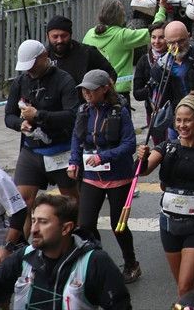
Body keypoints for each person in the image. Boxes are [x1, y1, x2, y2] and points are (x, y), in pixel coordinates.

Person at [136, 94, 194, 297]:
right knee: (185, 287)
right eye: (178, 120)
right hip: (169, 225)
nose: (182, 125)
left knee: (184, 287)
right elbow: (143, 171)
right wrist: (141, 158)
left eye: (187, 120)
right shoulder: (167, 147)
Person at [0, 192, 132, 309]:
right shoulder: (24, 256)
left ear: (66, 228)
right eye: (33, 221)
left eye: (43, 222)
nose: (33, 229)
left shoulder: (95, 262)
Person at [66, 69, 141, 283]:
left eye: (91, 90)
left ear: (104, 89)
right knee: (86, 224)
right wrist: (73, 161)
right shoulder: (83, 111)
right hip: (91, 177)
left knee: (119, 226)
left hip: (118, 177)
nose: (87, 94)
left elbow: (129, 144)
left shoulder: (120, 112)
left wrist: (103, 156)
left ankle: (131, 263)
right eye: (84, 90)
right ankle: (99, 262)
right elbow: (76, 138)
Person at [4, 39, 79, 210]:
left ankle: (76, 227)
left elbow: (73, 116)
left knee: (71, 201)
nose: (29, 70)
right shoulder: (20, 82)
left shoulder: (64, 80)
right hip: (31, 150)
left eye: (32, 65)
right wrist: (20, 124)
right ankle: (23, 230)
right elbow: (8, 116)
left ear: (44, 56)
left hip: (61, 150)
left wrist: (38, 115)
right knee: (22, 203)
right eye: (26, 67)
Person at [81, 0, 158, 98]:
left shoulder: (89, 34)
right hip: (118, 92)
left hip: (94, 91)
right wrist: (161, 9)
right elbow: (155, 31)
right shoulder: (123, 36)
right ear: (120, 16)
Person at [44, 14, 115, 89]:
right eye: (55, 37)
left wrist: (100, 92)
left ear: (70, 35)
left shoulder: (87, 53)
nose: (60, 40)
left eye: (64, 36)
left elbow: (111, 74)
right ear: (47, 36)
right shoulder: (43, 57)